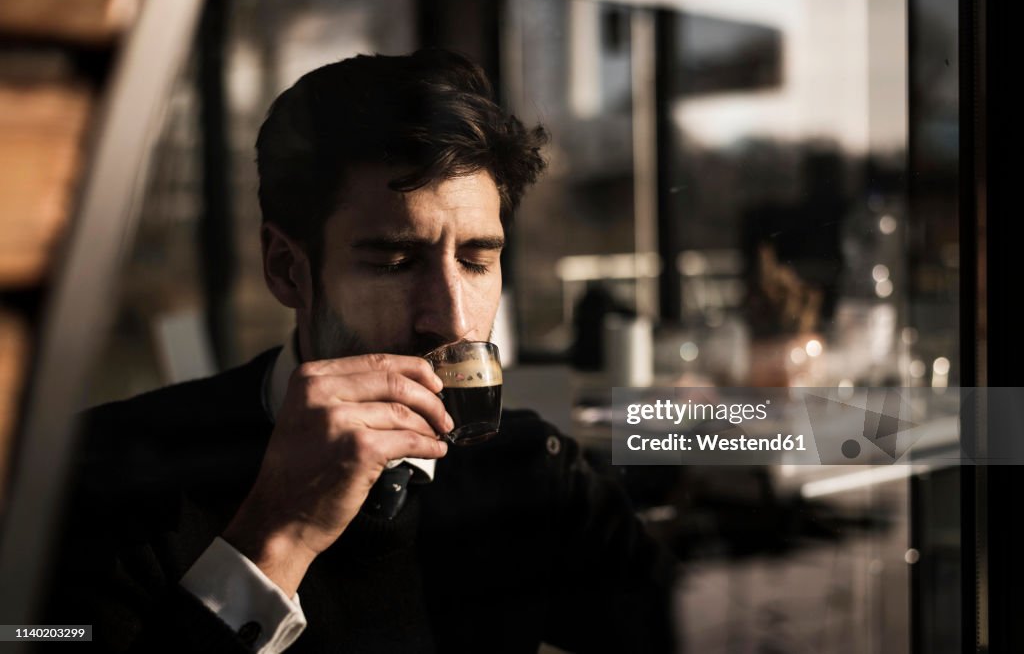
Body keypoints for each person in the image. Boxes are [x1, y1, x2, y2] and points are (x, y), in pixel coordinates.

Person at [44, 49, 679, 653]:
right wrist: (278, 536)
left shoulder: (530, 471)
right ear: (286, 268)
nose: (452, 320)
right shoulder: (101, 476)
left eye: (477, 260)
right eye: (396, 262)